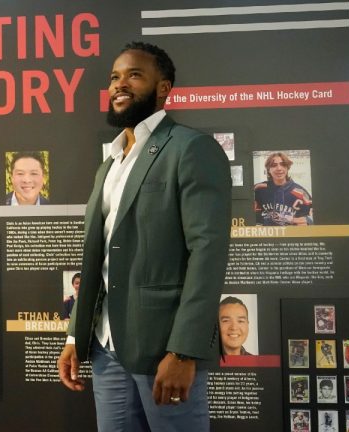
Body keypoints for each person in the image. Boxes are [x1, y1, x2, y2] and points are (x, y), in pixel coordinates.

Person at [57, 41, 231, 432]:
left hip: (164, 349)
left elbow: (208, 252)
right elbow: (96, 259)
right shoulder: (109, 165)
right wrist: (75, 335)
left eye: (134, 75)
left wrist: (184, 350)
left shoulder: (190, 148)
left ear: (163, 87)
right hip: (106, 349)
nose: (121, 84)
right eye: (115, 77)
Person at [253, 152, 313, 225]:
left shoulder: (300, 193)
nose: (279, 168)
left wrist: (288, 219)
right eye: (274, 165)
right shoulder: (258, 189)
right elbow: (249, 215)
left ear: (287, 168)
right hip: (268, 235)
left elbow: (312, 219)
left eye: (283, 165)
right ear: (268, 169)